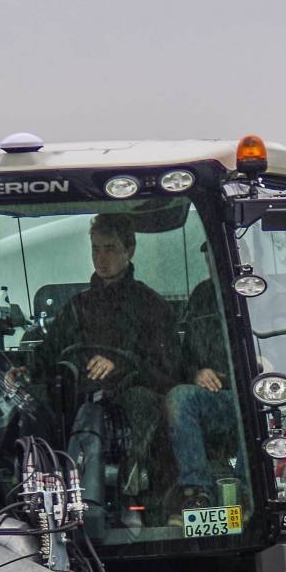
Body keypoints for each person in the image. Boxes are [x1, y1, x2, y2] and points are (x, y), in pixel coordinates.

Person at [40, 214, 178, 519]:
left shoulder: (152, 306)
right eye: (96, 249)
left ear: (130, 250)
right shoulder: (76, 307)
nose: (101, 258)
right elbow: (48, 356)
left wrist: (120, 365)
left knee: (143, 405)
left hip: (132, 396)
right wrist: (24, 370)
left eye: (111, 248)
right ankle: (38, 484)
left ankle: (141, 487)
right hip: (79, 396)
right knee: (37, 405)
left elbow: (168, 372)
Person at [165, 275, 242, 514]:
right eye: (209, 252)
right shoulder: (202, 294)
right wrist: (196, 372)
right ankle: (198, 493)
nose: (211, 258)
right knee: (179, 397)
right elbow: (183, 356)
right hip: (213, 398)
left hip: (250, 394)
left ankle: (247, 494)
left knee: (254, 407)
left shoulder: (270, 291)